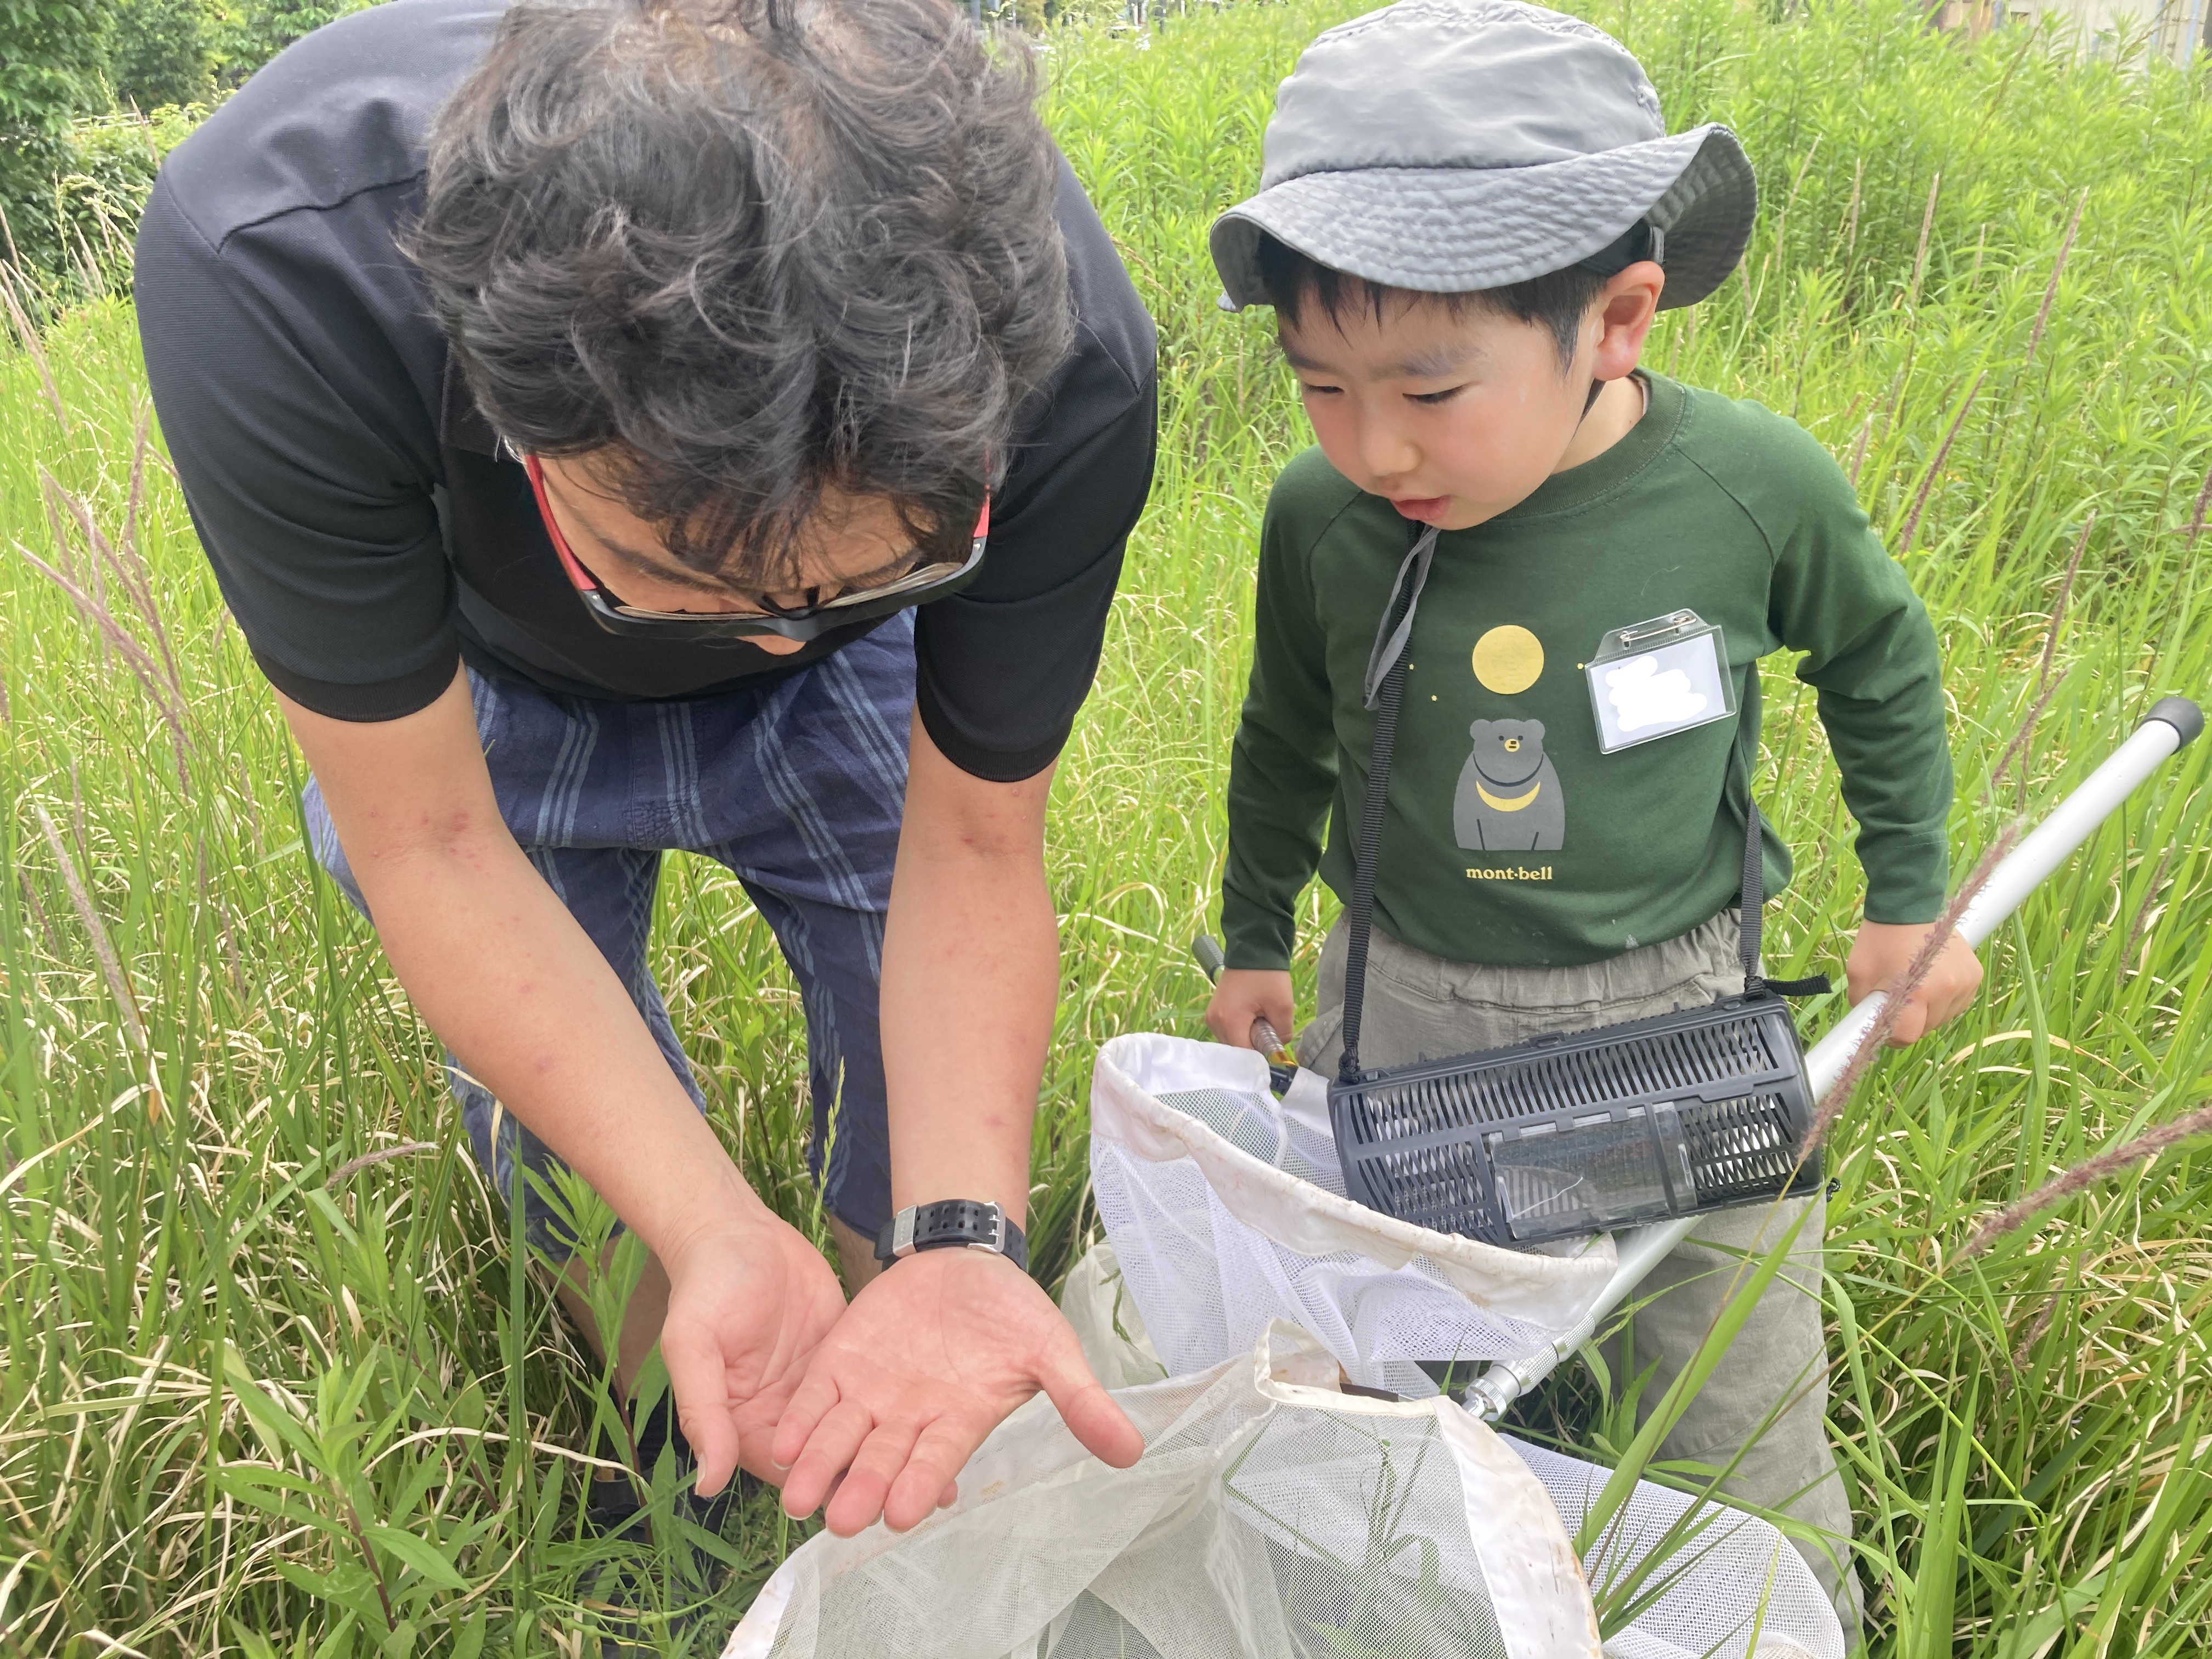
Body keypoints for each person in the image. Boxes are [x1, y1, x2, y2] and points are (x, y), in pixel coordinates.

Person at [136, 0, 1153, 1546]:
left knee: (917, 1133)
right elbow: (428, 843)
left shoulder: (1065, 350)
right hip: (485, 682)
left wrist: (965, 1239)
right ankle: (708, 1500)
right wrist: (707, 1225)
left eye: (859, 567)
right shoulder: (281, 264)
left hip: (866, 672)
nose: (758, 645)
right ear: (503, 413)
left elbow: (974, 847)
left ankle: (891, 1429)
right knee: (619, 1208)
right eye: (675, 576)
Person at [1199, 0, 1982, 1632]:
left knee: (1726, 1386)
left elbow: (1884, 672)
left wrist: (1912, 894)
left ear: (1618, 319)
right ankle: (1392, 1590)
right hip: (1398, 1000)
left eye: (1429, 384)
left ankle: (1774, 1617)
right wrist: (1261, 936)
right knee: (1382, 1351)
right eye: (1323, 386)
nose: (1376, 442)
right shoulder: (1322, 518)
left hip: (1676, 1002)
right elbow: (1287, 737)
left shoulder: (1750, 489)